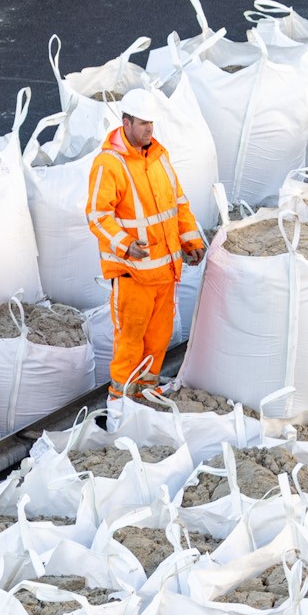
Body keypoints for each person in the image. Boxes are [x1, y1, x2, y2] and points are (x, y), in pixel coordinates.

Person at [84, 86, 205, 405]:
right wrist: (125, 245)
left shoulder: (159, 157)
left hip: (165, 272)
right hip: (133, 275)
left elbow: (178, 204)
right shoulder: (109, 164)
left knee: (157, 339)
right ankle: (120, 403)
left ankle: (145, 394)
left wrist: (191, 240)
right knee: (130, 342)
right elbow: (97, 215)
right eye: (142, 123)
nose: (149, 129)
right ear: (126, 123)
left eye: (151, 123)